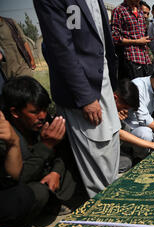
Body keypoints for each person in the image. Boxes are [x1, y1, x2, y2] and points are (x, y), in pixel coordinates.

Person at [34, 0, 122, 198]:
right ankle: (104, 216)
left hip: (104, 82)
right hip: (85, 91)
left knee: (111, 150)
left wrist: (111, 87)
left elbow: (102, 41)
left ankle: (114, 207)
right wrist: (85, 97)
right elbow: (60, 48)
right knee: (98, 161)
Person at [2, 77, 76, 223]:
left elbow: (62, 149)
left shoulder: (43, 118)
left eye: (44, 109)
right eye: (35, 112)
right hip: (19, 187)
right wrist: (46, 145)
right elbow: (18, 177)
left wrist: (56, 172)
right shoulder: (5, 134)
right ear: (15, 112)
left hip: (46, 173)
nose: (42, 116)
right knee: (38, 192)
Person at [113, 78, 154, 172]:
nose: (126, 111)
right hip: (104, 150)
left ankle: (134, 156)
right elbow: (120, 133)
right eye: (124, 108)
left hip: (125, 137)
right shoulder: (139, 85)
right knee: (126, 162)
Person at [111, 0, 152, 80]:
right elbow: (115, 37)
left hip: (145, 60)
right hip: (131, 59)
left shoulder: (140, 12)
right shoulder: (119, 10)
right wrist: (137, 41)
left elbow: (142, 34)